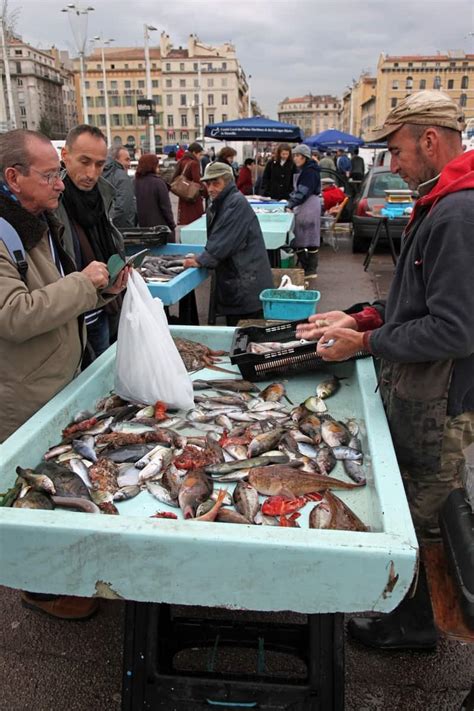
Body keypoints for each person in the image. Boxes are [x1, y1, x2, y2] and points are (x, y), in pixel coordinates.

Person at [296, 90, 474, 651]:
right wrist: (355, 316)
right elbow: (414, 300)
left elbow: (454, 328)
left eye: (396, 152)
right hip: (423, 389)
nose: (390, 166)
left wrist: (366, 341)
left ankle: (417, 626)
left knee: (422, 516)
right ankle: (415, 617)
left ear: (429, 140)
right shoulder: (440, 200)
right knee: (421, 508)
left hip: (437, 399)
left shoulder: (458, 213)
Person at [0, 129, 128, 618]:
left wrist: (105, 290)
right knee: (31, 493)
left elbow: (59, 296)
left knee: (60, 485)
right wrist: (82, 283)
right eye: (50, 174)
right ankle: (39, 591)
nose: (61, 185)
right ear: (14, 177)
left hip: (57, 381)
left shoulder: (43, 220)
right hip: (22, 393)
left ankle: (58, 576)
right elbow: (14, 315)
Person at [56, 125, 125, 362]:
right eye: (84, 162)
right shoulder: (51, 201)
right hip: (71, 314)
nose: (92, 173)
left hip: (104, 301)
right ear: (65, 156)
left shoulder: (102, 195)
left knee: (106, 371)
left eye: (99, 164)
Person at [182, 162, 273, 325]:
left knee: (245, 338)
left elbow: (223, 241)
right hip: (243, 281)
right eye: (208, 183)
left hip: (245, 285)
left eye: (216, 183)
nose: (210, 188)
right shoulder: (225, 202)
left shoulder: (234, 203)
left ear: (228, 181)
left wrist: (201, 260)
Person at [286, 144, 321, 277]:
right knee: (305, 238)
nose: (295, 158)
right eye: (294, 155)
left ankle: (309, 269)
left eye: (298, 155)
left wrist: (291, 203)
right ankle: (308, 268)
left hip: (308, 206)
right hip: (306, 205)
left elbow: (302, 192)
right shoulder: (306, 170)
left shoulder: (309, 172)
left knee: (301, 238)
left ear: (304, 157)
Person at [134, 153, 175, 240]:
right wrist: (172, 226)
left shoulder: (134, 182)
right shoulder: (158, 183)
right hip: (160, 232)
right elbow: (166, 209)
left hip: (142, 232)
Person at [172, 141, 207, 226]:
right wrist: (206, 191)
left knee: (186, 220)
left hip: (183, 194)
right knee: (195, 220)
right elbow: (197, 181)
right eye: (200, 154)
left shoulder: (182, 161)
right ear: (194, 152)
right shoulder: (194, 163)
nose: (201, 157)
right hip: (192, 196)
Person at [102, 145, 136, 228]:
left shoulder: (102, 174)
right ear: (116, 160)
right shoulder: (122, 177)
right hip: (123, 231)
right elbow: (122, 209)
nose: (129, 164)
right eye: (127, 160)